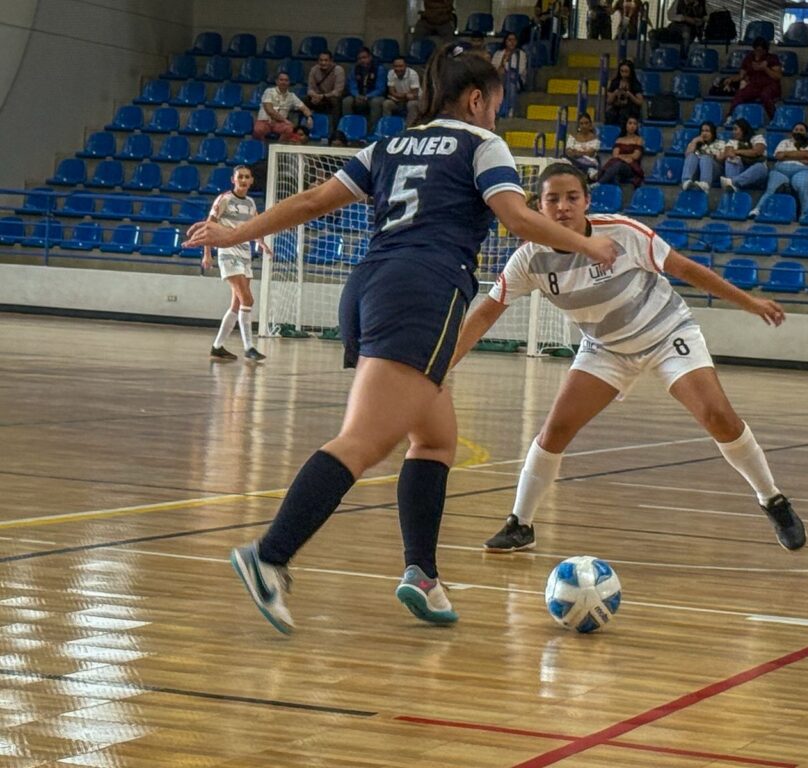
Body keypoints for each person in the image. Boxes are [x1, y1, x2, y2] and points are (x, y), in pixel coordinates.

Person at [183, 44, 618, 634]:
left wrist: (239, 228)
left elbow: (312, 201)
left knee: (436, 439)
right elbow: (515, 218)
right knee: (361, 441)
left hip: (370, 287)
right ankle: (270, 555)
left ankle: (423, 575)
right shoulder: (480, 144)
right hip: (424, 291)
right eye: (495, 103)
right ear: (475, 99)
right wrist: (588, 244)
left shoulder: (386, 145)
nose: (496, 114)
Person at [450, 162, 806, 554]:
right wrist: (443, 365)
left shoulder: (623, 232)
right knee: (555, 431)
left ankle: (772, 498)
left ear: (587, 201)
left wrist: (749, 303)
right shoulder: (529, 258)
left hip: (667, 333)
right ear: (539, 206)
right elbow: (486, 312)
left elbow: (686, 269)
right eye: (553, 199)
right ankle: (520, 524)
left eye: (572, 197)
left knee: (717, 416)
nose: (564, 207)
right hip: (605, 348)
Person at [201, 165, 272, 363]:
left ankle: (217, 347)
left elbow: (255, 226)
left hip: (244, 254)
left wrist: (261, 243)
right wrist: (207, 253)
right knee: (248, 300)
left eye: (246, 177)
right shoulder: (224, 199)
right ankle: (249, 347)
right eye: (239, 176)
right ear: (233, 179)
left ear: (251, 181)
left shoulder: (250, 202)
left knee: (237, 303)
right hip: (227, 252)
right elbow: (209, 225)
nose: (243, 179)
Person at [752, 121, 808, 218]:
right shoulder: (784, 142)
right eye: (796, 130)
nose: (798, 132)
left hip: (803, 171)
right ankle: (757, 209)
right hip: (781, 170)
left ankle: (805, 214)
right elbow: (779, 156)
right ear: (792, 132)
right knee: (771, 188)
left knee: (802, 184)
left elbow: (807, 154)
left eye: (801, 130)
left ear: (807, 133)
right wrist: (799, 157)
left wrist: (786, 154)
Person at [723, 38, 782, 121]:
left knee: (765, 95)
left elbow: (777, 76)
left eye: (760, 50)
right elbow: (741, 75)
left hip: (770, 85)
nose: (758, 53)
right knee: (740, 94)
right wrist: (731, 79)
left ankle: (774, 119)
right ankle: (730, 116)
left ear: (765, 50)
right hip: (754, 85)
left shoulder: (772, 58)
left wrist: (765, 68)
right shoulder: (749, 58)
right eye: (756, 50)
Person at [254, 72, 313, 142]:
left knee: (289, 129)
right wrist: (285, 120)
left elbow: (304, 108)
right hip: (265, 121)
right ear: (276, 81)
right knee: (258, 130)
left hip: (279, 124)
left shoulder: (292, 96)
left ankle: (278, 147)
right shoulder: (269, 91)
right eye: (281, 80)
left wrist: (309, 117)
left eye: (286, 80)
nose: (283, 82)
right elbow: (270, 110)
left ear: (289, 82)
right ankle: (262, 148)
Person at [717, 118, 768, 192]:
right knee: (730, 160)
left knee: (760, 167)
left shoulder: (757, 138)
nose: (733, 132)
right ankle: (733, 187)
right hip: (740, 170)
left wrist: (737, 151)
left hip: (757, 175)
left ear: (743, 130)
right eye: (733, 130)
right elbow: (729, 153)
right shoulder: (732, 142)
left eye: (735, 129)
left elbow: (757, 152)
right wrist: (744, 152)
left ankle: (732, 182)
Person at [342, 47, 387, 127]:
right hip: (359, 96)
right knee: (347, 101)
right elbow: (352, 85)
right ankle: (348, 127)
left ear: (370, 57)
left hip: (374, 96)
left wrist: (367, 96)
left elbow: (380, 88)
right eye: (359, 58)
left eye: (364, 57)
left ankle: (373, 129)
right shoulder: (355, 69)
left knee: (375, 102)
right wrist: (356, 95)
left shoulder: (379, 69)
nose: (362, 60)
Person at [303, 51, 345, 135]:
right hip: (318, 97)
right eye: (321, 60)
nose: (323, 63)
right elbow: (310, 89)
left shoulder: (338, 70)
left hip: (331, 97)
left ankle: (335, 131)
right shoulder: (314, 70)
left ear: (331, 61)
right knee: (303, 100)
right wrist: (314, 96)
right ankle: (303, 130)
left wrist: (322, 96)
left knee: (335, 101)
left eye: (326, 60)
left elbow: (338, 91)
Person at [595, 116, 644, 187]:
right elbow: (615, 155)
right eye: (630, 123)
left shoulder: (639, 140)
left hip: (632, 167)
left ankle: (599, 184)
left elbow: (635, 156)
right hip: (619, 165)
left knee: (618, 165)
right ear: (626, 125)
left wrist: (621, 157)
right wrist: (625, 158)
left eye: (634, 124)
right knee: (615, 174)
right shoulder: (619, 140)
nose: (632, 126)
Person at [680, 121, 724, 193]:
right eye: (702, 131)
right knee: (691, 156)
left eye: (707, 131)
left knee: (705, 158)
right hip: (698, 170)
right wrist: (694, 142)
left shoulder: (720, 143)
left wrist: (712, 156)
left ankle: (705, 183)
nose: (704, 133)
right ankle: (686, 181)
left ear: (712, 133)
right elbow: (687, 156)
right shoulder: (696, 143)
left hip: (714, 170)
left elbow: (721, 160)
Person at [604, 60, 644, 130]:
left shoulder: (635, 84)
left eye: (626, 71)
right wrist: (615, 93)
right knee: (609, 114)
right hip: (616, 107)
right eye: (622, 71)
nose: (624, 74)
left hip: (631, 108)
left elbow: (640, 102)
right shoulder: (615, 82)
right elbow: (609, 101)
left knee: (624, 114)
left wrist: (630, 95)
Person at [382, 57, 421, 124]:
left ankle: (409, 129)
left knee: (411, 104)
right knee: (387, 103)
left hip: (414, 100)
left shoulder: (413, 74)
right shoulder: (391, 73)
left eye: (400, 66)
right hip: (399, 101)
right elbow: (391, 92)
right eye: (396, 66)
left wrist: (399, 96)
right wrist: (406, 95)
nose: (398, 69)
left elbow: (414, 94)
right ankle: (387, 126)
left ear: (406, 66)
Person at [564, 112, 601, 181]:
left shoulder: (595, 139)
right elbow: (569, 152)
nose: (584, 126)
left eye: (586, 123)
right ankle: (586, 170)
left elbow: (590, 154)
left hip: (589, 162)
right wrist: (583, 152)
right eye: (581, 123)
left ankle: (585, 170)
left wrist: (576, 152)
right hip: (574, 161)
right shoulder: (572, 137)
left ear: (590, 124)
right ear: (578, 125)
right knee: (564, 157)